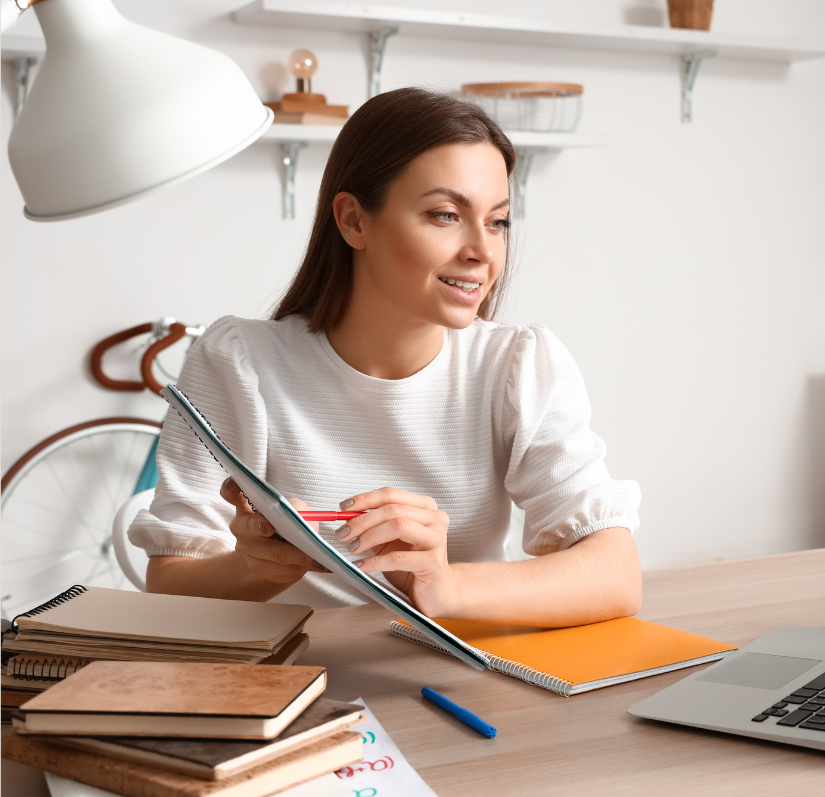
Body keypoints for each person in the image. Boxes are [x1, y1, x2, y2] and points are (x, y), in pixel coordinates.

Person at [129, 88, 642, 626]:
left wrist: (447, 586)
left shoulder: (517, 366)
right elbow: (166, 590)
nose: (482, 252)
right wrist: (258, 570)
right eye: (445, 215)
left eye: (497, 221)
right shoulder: (239, 364)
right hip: (294, 688)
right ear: (353, 221)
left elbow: (614, 574)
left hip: (458, 684)